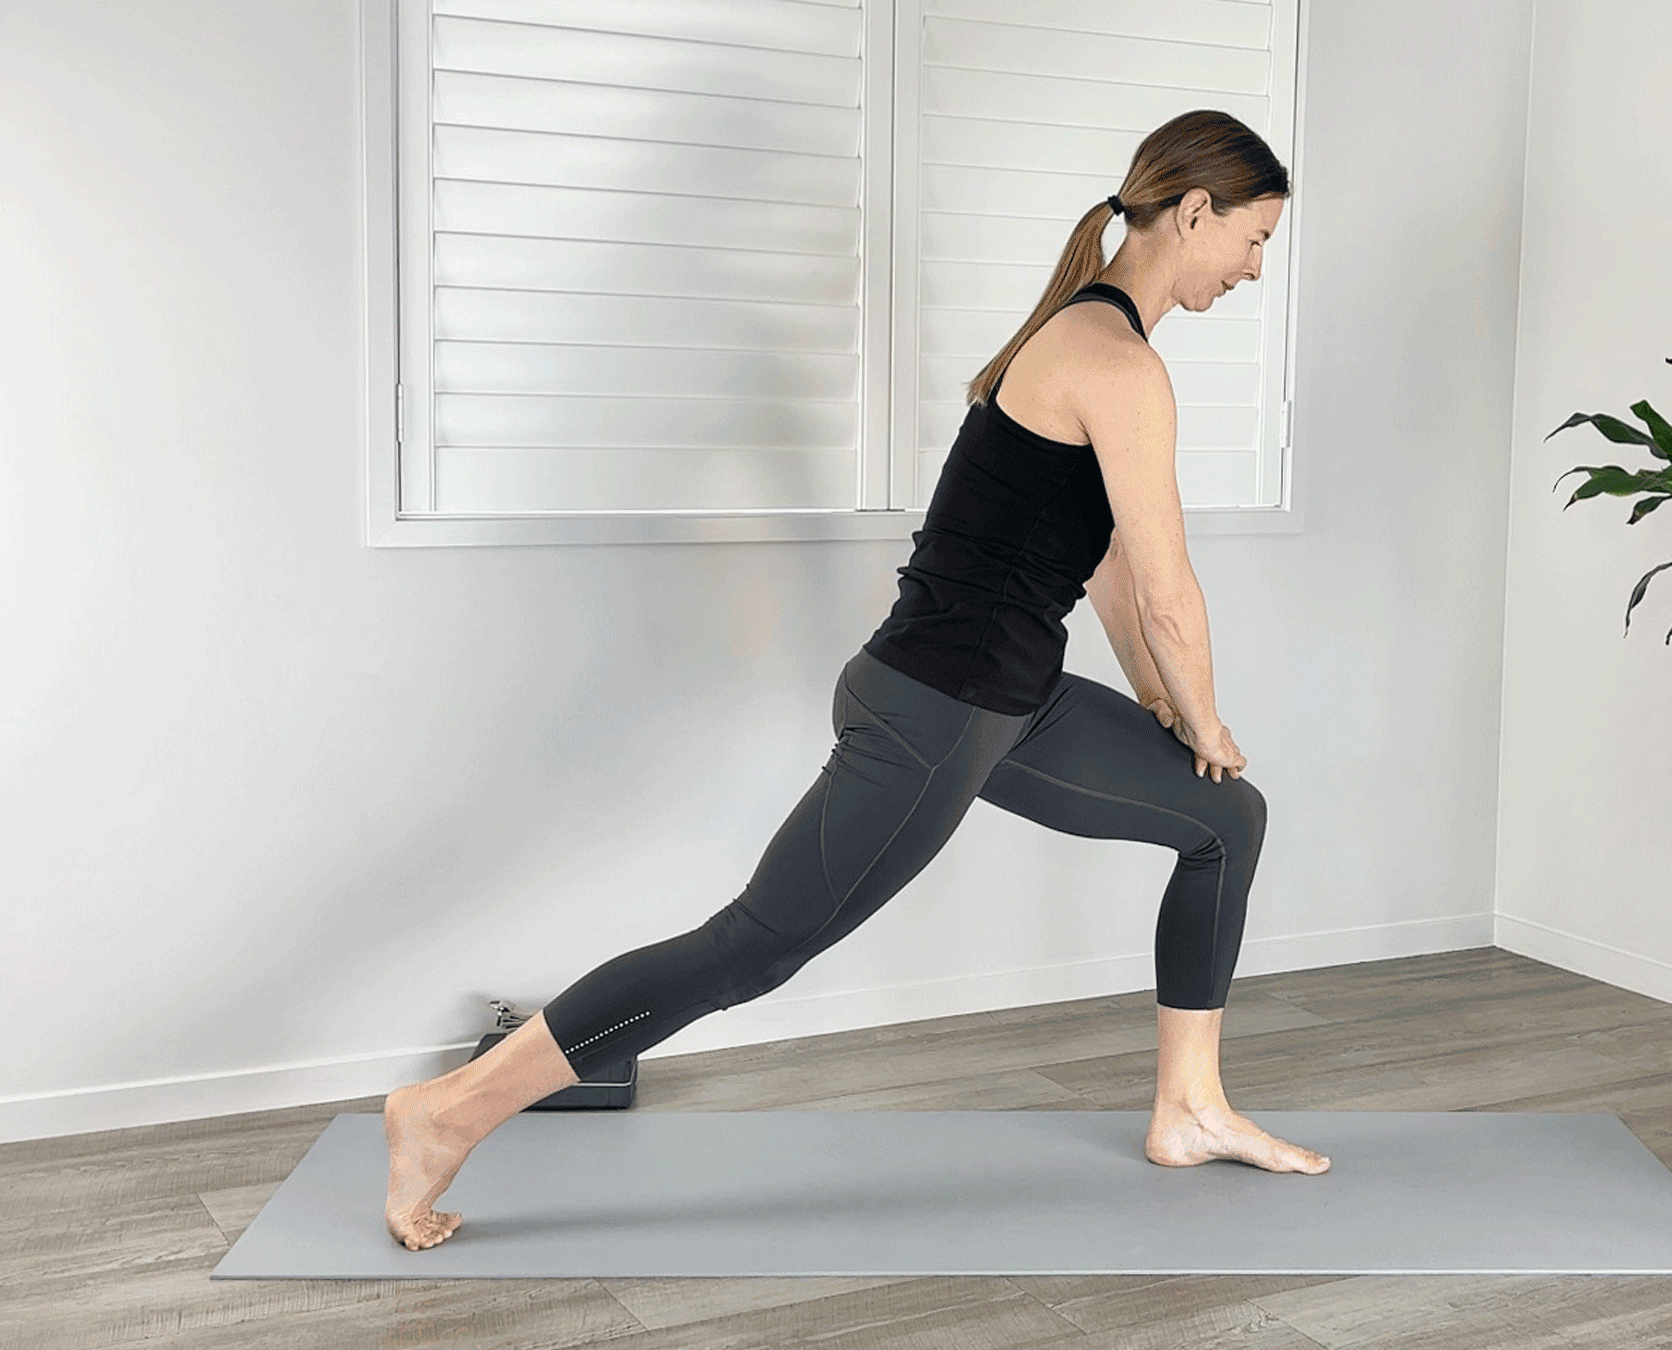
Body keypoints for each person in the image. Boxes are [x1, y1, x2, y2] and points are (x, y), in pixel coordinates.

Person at [382, 110, 1321, 1251]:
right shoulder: (1114, 361)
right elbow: (1172, 588)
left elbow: (1118, 570)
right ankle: (449, 1112)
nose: (1257, 268)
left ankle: (1187, 1109)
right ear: (1193, 213)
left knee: (1223, 816)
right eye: (1256, 239)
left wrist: (1169, 708)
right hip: (936, 711)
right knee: (754, 948)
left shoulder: (1091, 342)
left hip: (1007, 704)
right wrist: (1211, 712)